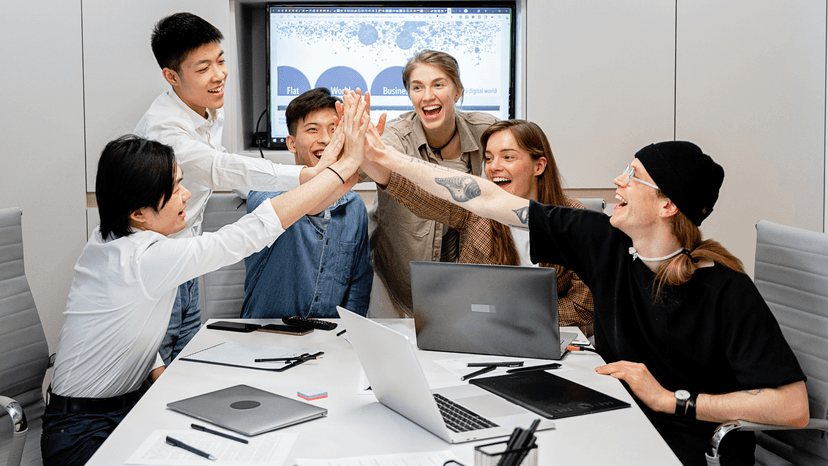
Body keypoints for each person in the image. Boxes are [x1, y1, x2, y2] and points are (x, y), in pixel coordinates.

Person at [357, 116, 808, 465]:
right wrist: (388, 158)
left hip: (679, 443)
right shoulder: (606, 241)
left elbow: (792, 407)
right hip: (614, 417)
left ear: (668, 205)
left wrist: (669, 400)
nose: (618, 181)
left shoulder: (725, 288)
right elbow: (484, 197)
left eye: (633, 175)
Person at [40, 93, 369, 466]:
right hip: (82, 432)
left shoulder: (111, 239)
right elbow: (243, 236)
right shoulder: (143, 258)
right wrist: (342, 168)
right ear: (139, 212)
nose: (186, 196)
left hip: (123, 407)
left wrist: (160, 372)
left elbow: (125, 325)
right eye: (175, 189)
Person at [134, 13, 337, 366]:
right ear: (171, 76)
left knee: (185, 362)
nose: (219, 75)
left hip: (187, 258)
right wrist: (307, 176)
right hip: (156, 264)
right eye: (203, 68)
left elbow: (224, 164)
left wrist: (268, 189)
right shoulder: (164, 129)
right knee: (155, 369)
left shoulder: (209, 108)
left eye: (221, 61)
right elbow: (218, 168)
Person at [361, 119, 592, 327]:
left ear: (539, 166)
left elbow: (583, 306)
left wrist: (518, 316)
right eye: (489, 158)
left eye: (508, 157)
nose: (493, 167)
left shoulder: (573, 218)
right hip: (483, 333)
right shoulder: (477, 211)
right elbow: (418, 196)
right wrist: (365, 156)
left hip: (553, 335)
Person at [368, 49, 498, 316]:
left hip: (469, 283)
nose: (427, 96)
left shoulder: (487, 131)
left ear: (458, 91)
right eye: (417, 87)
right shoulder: (396, 136)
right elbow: (360, 167)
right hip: (399, 284)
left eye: (438, 85)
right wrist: (354, 146)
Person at [240, 88, 373, 319]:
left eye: (334, 129)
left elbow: (358, 284)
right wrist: (339, 172)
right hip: (266, 331)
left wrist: (347, 332)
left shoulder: (354, 206)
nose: (326, 139)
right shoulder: (264, 193)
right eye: (313, 129)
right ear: (291, 144)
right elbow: (307, 207)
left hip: (330, 334)